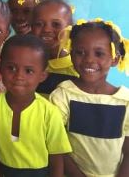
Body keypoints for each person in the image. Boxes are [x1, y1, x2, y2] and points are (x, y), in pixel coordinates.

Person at [50, 19, 129, 177]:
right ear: (71, 54)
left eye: (99, 54)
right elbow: (56, 145)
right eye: (80, 52)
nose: (89, 60)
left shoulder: (124, 100)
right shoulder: (64, 95)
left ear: (114, 59)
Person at [0, 34, 72, 176]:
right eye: (11, 68)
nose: (19, 76)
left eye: (28, 71)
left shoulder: (49, 112)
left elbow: (57, 157)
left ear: (42, 75)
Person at [30, 0, 78, 96]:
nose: (47, 29)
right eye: (39, 24)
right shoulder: (26, 63)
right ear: (31, 27)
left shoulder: (78, 68)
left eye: (56, 24)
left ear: (70, 29)